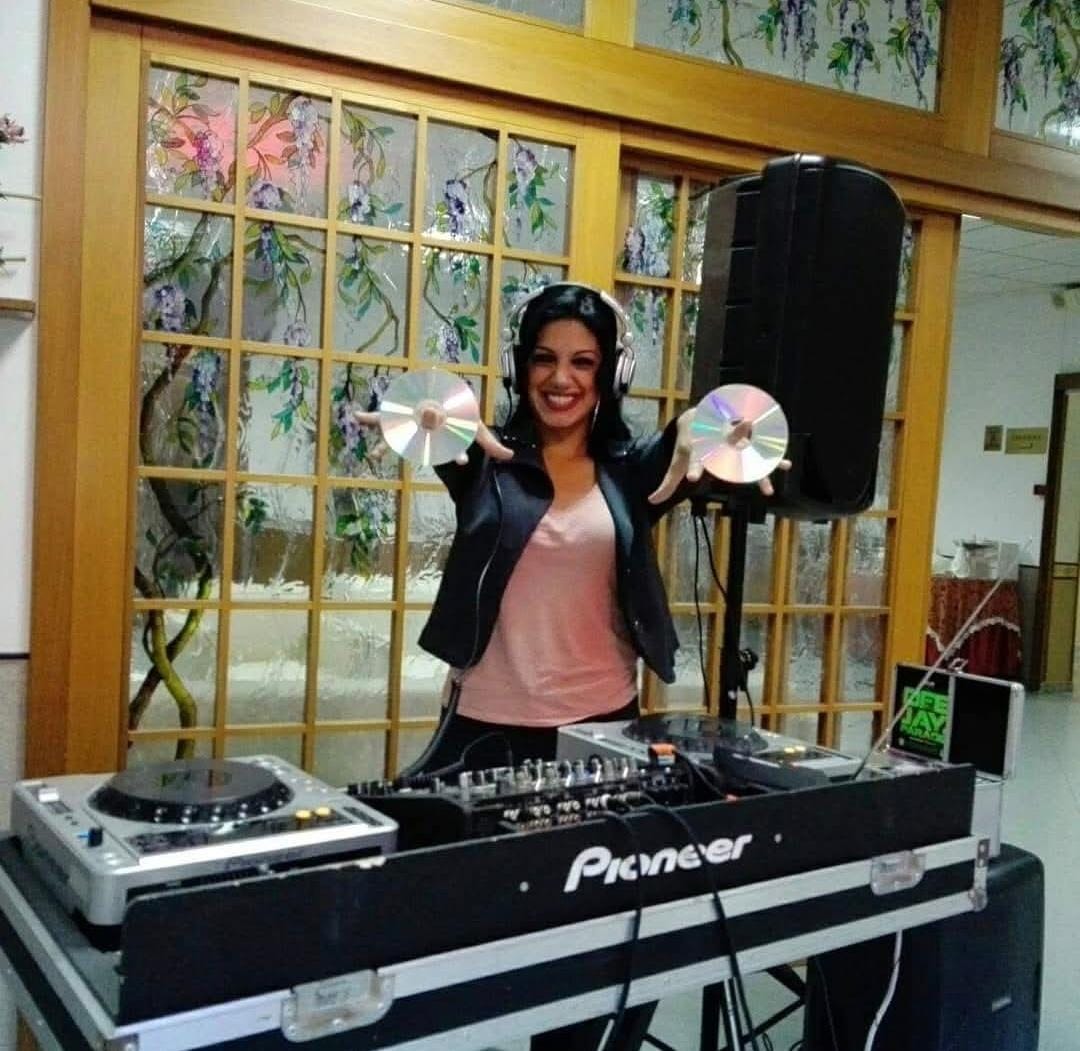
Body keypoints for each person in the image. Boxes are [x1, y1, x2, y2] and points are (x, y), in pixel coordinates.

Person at [357, 282, 785, 1051]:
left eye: (583, 361)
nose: (562, 378)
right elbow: (410, 411)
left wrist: (720, 427)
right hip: (483, 731)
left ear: (610, 373)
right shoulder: (486, 459)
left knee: (602, 948)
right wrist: (418, 412)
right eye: (545, 359)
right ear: (520, 366)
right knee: (460, 938)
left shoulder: (635, 471)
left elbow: (712, 428)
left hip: (599, 735)